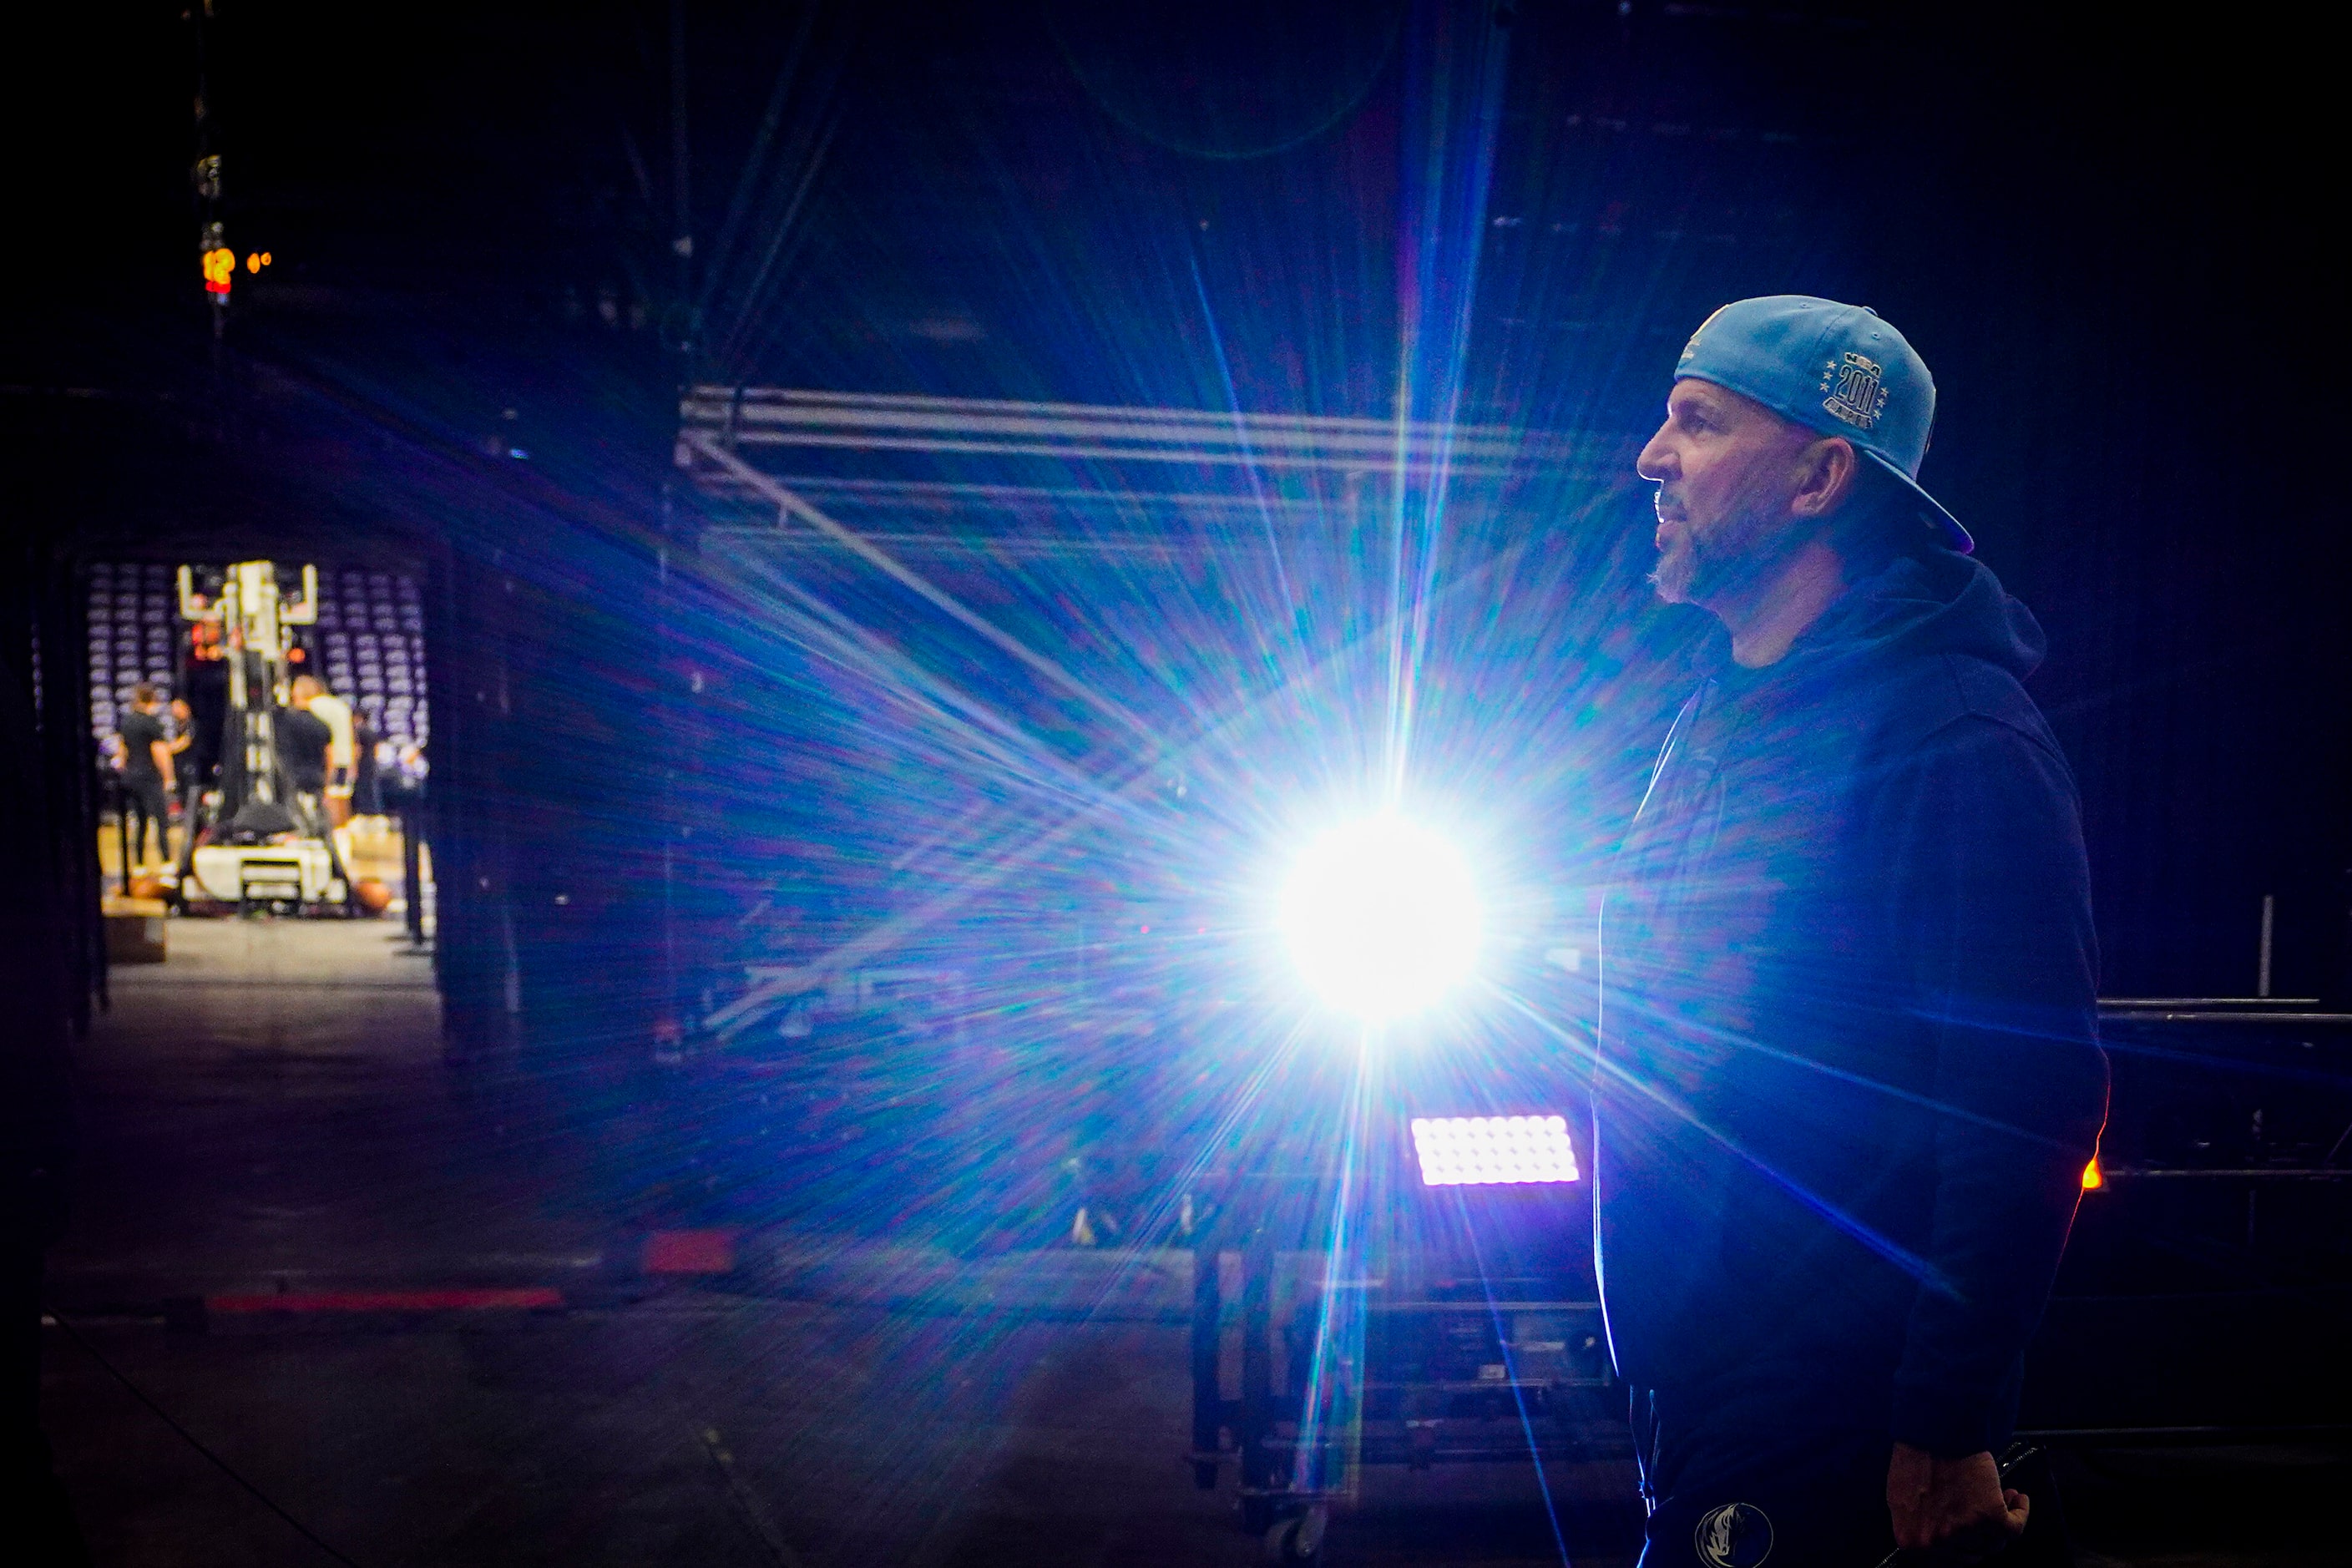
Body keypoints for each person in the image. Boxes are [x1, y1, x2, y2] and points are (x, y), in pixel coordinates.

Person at [1595, 296, 2109, 1565]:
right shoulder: (1721, 717)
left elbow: (2025, 1099)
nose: (1650, 457)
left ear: (1823, 474)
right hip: (1706, 1389)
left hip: (1834, 1415)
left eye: (1698, 423)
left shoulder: (1950, 737)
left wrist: (1945, 1418)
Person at [113, 685, 174, 873]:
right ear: (152, 700)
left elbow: (122, 751)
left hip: (131, 777)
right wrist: (169, 777)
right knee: (161, 820)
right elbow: (160, 752)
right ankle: (166, 861)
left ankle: (138, 864)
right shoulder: (151, 723)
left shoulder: (127, 722)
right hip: (149, 776)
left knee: (140, 822)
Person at [291, 675, 356, 827]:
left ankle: (326, 832)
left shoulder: (313, 706)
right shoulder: (341, 705)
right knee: (342, 799)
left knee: (327, 801)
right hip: (345, 759)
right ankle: (342, 835)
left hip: (326, 761)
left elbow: (322, 739)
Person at [276, 685, 333, 810]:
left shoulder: (284, 721)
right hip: (316, 779)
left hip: (291, 777)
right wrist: (328, 785)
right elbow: (329, 756)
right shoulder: (322, 725)